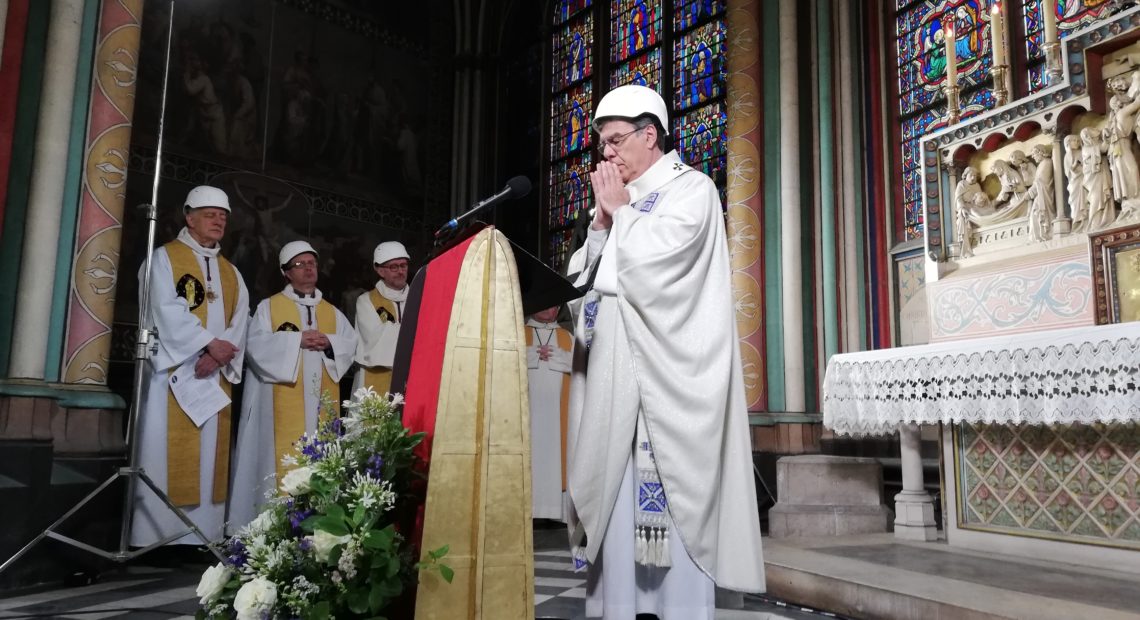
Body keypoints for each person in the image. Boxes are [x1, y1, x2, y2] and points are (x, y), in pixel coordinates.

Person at [565, 84, 765, 619]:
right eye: (602, 144)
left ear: (649, 135)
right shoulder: (611, 205)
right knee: (615, 499)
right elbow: (584, 287)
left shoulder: (691, 190)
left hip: (668, 394)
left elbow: (664, 271)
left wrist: (619, 215)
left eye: (614, 141)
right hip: (616, 386)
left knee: (671, 511)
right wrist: (605, 225)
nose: (605, 154)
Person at [130, 186, 249, 548]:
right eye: (211, 214)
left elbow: (241, 319)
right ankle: (158, 536)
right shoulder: (164, 259)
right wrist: (207, 344)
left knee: (210, 456)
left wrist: (218, 354)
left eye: (223, 216)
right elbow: (163, 308)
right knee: (165, 453)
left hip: (212, 376)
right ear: (189, 217)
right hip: (175, 374)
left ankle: (202, 536)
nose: (218, 221)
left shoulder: (232, 272)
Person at [228, 240, 357, 530]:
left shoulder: (332, 312)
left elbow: (351, 344)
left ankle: (319, 524)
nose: (308, 269)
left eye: (311, 263)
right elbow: (255, 345)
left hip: (319, 404)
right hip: (279, 407)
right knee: (278, 463)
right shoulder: (269, 307)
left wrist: (330, 342)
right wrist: (295, 340)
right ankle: (272, 526)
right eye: (300, 265)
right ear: (286, 272)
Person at [524, 305, 573, 523]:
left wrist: (563, 358)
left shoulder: (568, 337)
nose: (548, 308)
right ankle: (526, 510)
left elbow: (586, 366)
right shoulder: (517, 332)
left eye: (554, 304)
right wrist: (529, 355)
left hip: (559, 417)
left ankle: (558, 513)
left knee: (557, 453)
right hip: (528, 416)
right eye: (544, 303)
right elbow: (503, 362)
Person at [353, 241, 410, 395]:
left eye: (403, 265)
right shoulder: (366, 301)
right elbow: (374, 338)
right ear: (380, 270)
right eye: (394, 267)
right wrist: (412, 331)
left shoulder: (419, 297)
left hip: (412, 377)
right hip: (375, 377)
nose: (400, 271)